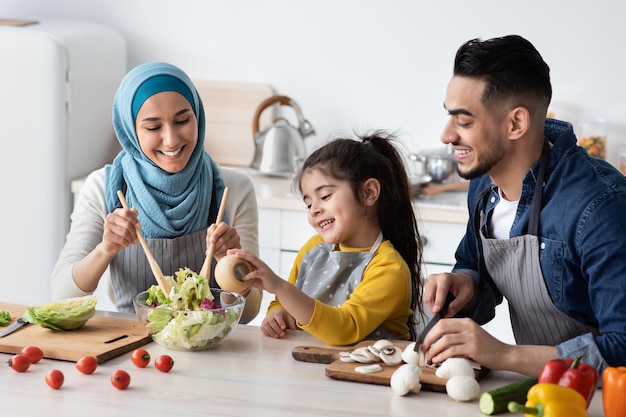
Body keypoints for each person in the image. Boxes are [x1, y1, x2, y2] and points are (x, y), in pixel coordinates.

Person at [422, 34, 626, 377]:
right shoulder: (483, 186)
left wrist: (504, 355)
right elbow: (474, 265)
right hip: (540, 394)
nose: (446, 135)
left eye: (464, 121)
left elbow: (622, 349)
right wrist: (466, 287)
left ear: (516, 123)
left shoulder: (600, 206)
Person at [51, 61, 262, 323]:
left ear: (198, 116)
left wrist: (231, 265)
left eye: (183, 120)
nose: (171, 140)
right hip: (130, 347)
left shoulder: (234, 190)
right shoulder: (103, 188)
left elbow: (248, 314)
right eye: (153, 127)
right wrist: (105, 250)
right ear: (131, 130)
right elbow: (61, 296)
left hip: (211, 344)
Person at [229, 131, 424, 346]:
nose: (314, 210)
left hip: (366, 376)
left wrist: (279, 286)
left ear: (368, 193)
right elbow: (283, 301)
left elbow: (345, 328)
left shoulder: (389, 269)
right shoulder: (313, 250)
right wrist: (278, 313)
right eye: (309, 203)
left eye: (325, 197)